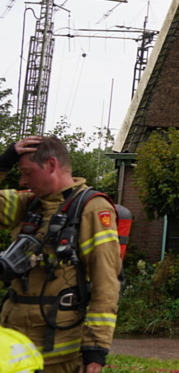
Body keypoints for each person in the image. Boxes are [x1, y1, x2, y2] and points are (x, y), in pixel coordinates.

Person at [0, 136, 121, 373]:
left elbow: (106, 282)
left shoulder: (91, 208)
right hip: (14, 346)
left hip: (58, 355)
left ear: (51, 165)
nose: (23, 180)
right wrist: (4, 162)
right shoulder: (31, 204)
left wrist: (95, 349)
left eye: (27, 172)